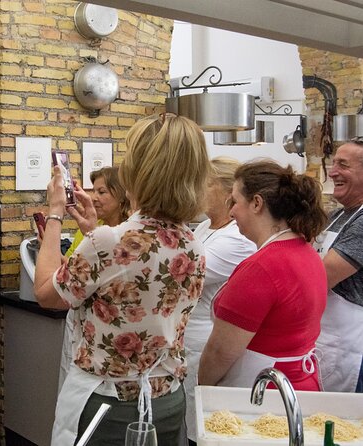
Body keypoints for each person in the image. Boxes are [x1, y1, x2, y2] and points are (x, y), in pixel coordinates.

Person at [34, 114, 209, 446]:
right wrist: (93, 231)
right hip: (167, 401)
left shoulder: (109, 243)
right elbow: (126, 272)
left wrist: (55, 213)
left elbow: (46, 293)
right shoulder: (193, 243)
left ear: (138, 170)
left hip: (109, 407)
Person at [199, 160, 328, 392]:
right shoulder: (305, 251)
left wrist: (204, 387)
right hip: (300, 384)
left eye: (235, 202)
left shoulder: (261, 267)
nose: (231, 211)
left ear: (256, 203)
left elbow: (220, 352)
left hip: (263, 390)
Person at [183, 157, 256, 444]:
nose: (197, 188)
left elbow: (182, 275)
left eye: (205, 182)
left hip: (203, 340)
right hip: (187, 338)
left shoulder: (236, 239)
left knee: (197, 424)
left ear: (228, 192)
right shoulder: (204, 228)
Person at [59, 166, 131, 389]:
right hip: (80, 318)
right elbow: (71, 266)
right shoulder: (91, 228)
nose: (93, 198)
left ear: (121, 195)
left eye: (102, 192)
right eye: (93, 191)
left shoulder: (129, 234)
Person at [314, 139, 363, 393]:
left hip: (350, 347)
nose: (332, 172)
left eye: (343, 165)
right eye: (333, 164)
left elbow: (321, 277)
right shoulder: (336, 217)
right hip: (325, 338)